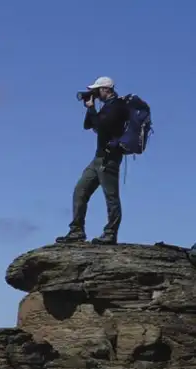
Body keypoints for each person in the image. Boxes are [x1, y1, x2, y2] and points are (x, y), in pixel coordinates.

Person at [56, 77, 130, 245]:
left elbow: (103, 127)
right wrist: (90, 108)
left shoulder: (118, 107)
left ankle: (110, 233)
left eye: (97, 90)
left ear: (106, 89)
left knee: (111, 196)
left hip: (109, 158)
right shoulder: (106, 107)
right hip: (98, 158)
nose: (95, 94)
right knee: (80, 190)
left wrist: (92, 109)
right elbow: (89, 125)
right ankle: (76, 231)